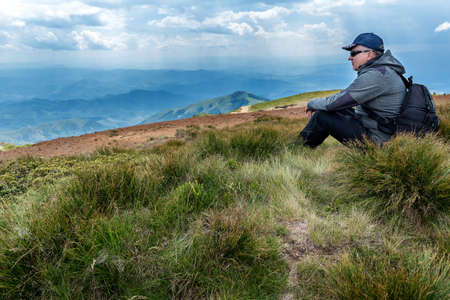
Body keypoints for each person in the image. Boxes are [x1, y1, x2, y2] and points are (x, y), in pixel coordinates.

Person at [299, 32, 406, 147]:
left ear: (369, 54)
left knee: (323, 115)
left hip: (379, 142)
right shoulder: (382, 71)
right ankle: (303, 147)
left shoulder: (377, 75)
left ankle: (299, 149)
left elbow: (335, 103)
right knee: (335, 110)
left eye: (354, 53)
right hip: (379, 131)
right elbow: (345, 96)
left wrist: (311, 104)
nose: (350, 58)